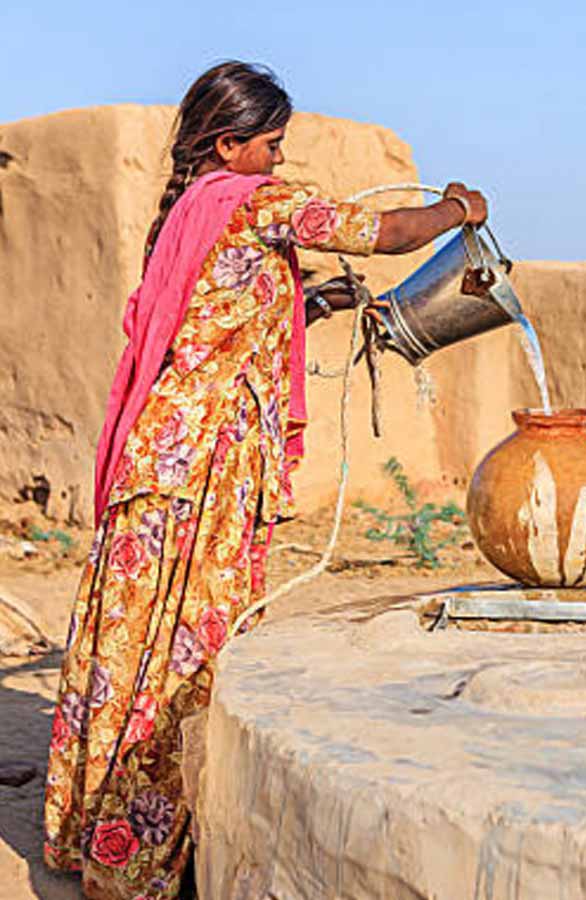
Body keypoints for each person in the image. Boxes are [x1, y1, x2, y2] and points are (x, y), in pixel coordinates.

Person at [42, 60, 487, 899]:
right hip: (200, 470)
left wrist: (308, 304)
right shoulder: (249, 203)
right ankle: (134, 858)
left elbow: (221, 312)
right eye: (271, 144)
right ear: (228, 142)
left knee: (128, 644)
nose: (280, 161)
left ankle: (92, 839)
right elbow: (380, 232)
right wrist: (459, 211)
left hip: (161, 460)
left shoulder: (187, 210)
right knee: (182, 651)